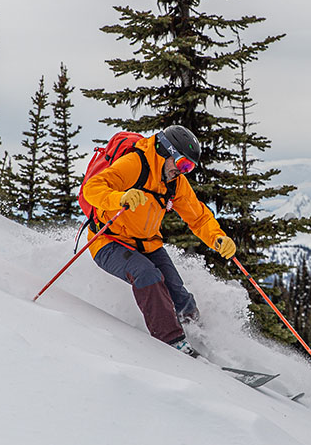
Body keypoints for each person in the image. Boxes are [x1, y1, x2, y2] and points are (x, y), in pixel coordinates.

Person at [82, 125, 236, 355]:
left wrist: (218, 238)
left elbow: (198, 217)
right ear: (167, 151)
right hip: (108, 241)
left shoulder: (175, 182)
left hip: (147, 243)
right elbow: (92, 188)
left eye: (190, 168)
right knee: (147, 275)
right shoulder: (135, 163)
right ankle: (173, 343)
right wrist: (119, 197)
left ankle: (201, 337)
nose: (183, 171)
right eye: (183, 163)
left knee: (177, 291)